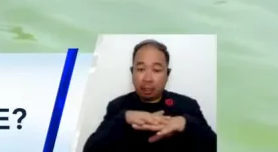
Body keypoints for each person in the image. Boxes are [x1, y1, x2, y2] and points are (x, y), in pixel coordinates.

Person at [83, 39, 217, 152]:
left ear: (167, 74)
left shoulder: (187, 106)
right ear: (132, 72)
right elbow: (90, 149)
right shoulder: (118, 106)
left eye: (156, 70)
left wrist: (185, 124)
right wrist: (123, 119)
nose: (148, 78)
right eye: (140, 69)